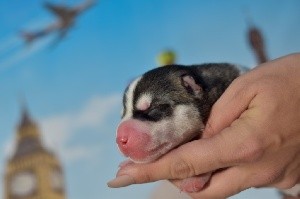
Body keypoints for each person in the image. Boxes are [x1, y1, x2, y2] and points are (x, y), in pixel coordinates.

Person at [107, 53, 300, 199]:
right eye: (125, 115)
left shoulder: (239, 85)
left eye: (152, 110)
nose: (122, 135)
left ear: (190, 86)